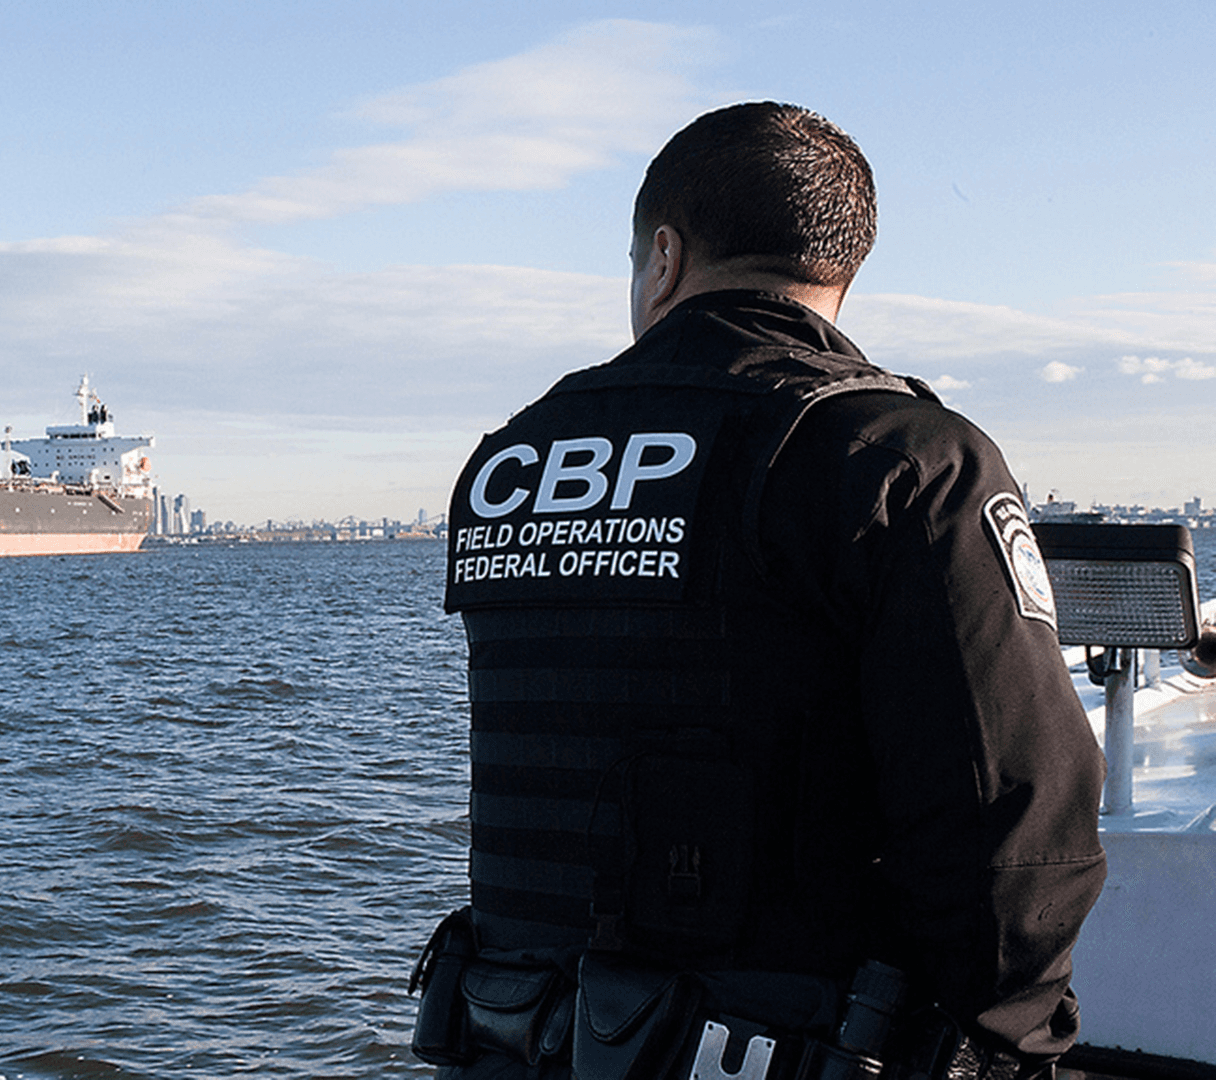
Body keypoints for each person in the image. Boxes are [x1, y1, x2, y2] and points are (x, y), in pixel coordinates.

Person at [410, 102, 1105, 1080]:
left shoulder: (513, 458)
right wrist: (1006, 1047)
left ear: (664, 257)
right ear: (841, 270)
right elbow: (1018, 824)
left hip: (512, 1044)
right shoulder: (904, 460)